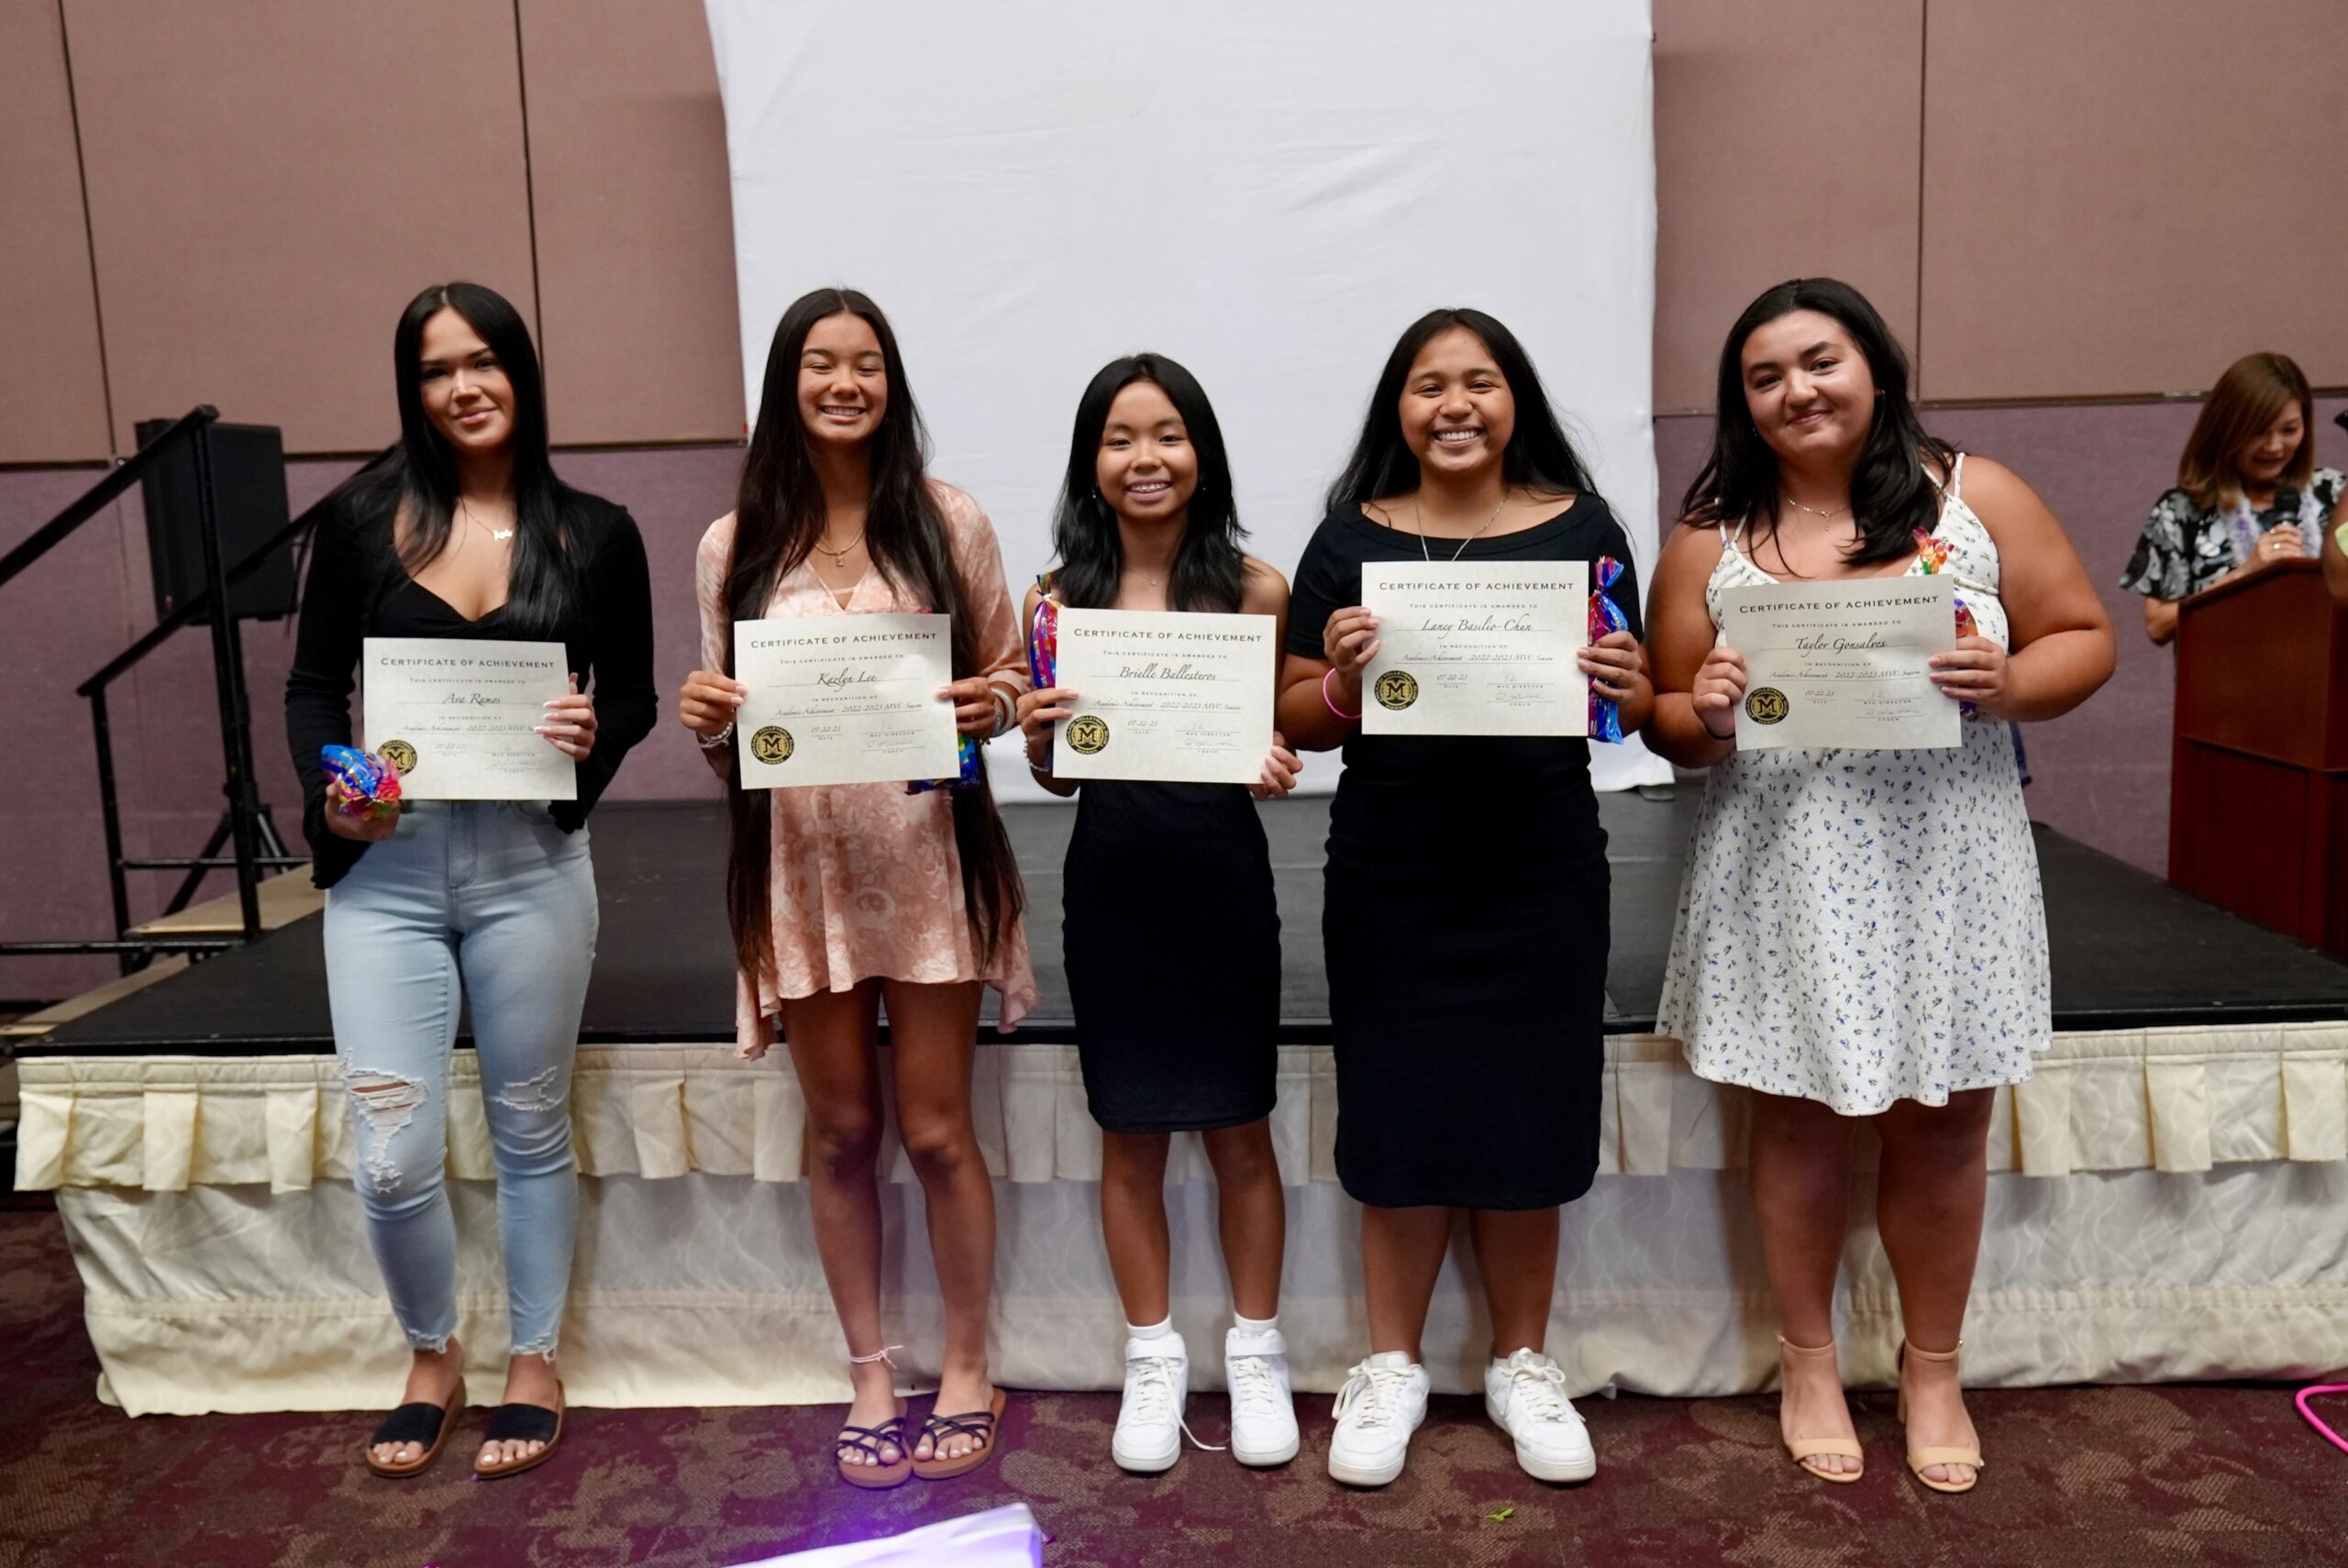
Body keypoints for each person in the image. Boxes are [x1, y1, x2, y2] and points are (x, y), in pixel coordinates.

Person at [1645, 277, 2114, 1494]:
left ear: (1875, 367)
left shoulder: (1978, 496)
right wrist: (1695, 712)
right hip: (1785, 862)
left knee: (1948, 1120)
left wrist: (2008, 682)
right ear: (1740, 404)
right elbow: (1662, 714)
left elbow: (2083, 635)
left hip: (1947, 860)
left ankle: (1932, 1368)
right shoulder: (1711, 536)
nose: (1798, 390)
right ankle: (1807, 1362)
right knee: (1797, 1113)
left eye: (1821, 360)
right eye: (1765, 376)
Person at [284, 281, 658, 1480]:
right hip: (385, 873)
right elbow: (308, 690)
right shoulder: (355, 519)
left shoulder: (598, 532)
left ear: (521, 373)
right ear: (414, 388)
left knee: (529, 1124)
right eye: (439, 368)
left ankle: (533, 1358)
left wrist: (594, 730)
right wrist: (333, 777)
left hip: (530, 866)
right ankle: (432, 1354)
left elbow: (638, 696)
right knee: (392, 1147)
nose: (465, 385)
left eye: (485, 360)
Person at [1273, 308, 1652, 1487]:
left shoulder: (1584, 530)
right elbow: (1293, 719)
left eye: (1478, 382)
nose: (1454, 404)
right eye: (1429, 384)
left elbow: (1626, 709)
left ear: (1513, 401)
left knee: (1528, 1109)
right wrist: (1336, 677)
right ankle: (1388, 1366)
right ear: (1398, 406)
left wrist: (1632, 685)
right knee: (1397, 1111)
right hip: (1394, 869)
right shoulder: (1346, 542)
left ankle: (1521, 1362)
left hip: (1541, 866)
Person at [675, 287, 1035, 1488]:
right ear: (787, 384)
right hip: (805, 874)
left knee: (936, 1129)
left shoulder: (951, 521)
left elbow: (1005, 682)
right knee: (842, 1132)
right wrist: (705, 720)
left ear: (893, 380)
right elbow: (736, 745)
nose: (845, 383)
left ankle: (971, 1363)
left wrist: (993, 706)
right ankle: (872, 1368)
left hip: (929, 865)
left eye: (866, 363)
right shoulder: (733, 546)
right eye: (821, 364)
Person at [1015, 354, 1303, 1474]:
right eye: (1121, 438)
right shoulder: (1056, 598)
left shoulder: (1255, 589)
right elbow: (1056, 777)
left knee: (1240, 1131)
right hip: (1116, 882)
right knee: (1129, 1137)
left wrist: (1270, 757)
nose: (1147, 458)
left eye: (1169, 434)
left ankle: (1258, 1351)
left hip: (1220, 881)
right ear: (1091, 464)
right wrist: (1040, 735)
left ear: (1202, 454)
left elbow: (1268, 735)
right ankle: (1152, 1357)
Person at [2121, 352, 2345, 645]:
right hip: (2222, 682)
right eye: (2259, 432)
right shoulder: (2182, 509)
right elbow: (2157, 626)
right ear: (2228, 428)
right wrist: (2244, 575)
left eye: (2289, 430)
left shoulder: (2336, 492)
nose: (2274, 446)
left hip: (2325, 676)